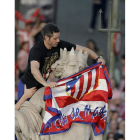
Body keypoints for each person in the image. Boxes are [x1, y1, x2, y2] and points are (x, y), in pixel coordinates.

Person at [17, 23, 105, 109]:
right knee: (21, 114)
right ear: (47, 38)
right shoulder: (37, 49)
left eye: (58, 37)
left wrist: (98, 57)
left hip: (42, 88)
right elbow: (34, 69)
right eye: (55, 38)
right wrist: (46, 83)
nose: (58, 40)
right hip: (28, 87)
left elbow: (83, 49)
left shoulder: (58, 45)